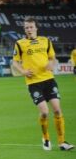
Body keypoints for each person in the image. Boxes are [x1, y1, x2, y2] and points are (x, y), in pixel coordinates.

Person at [12, 17, 74, 151]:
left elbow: (52, 58)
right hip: (34, 82)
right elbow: (15, 62)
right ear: (24, 29)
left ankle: (62, 142)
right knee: (45, 112)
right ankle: (46, 138)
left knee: (57, 110)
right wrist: (23, 71)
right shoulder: (20, 43)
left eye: (31, 27)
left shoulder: (45, 41)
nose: (29, 29)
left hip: (49, 80)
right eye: (26, 27)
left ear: (36, 27)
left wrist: (52, 64)